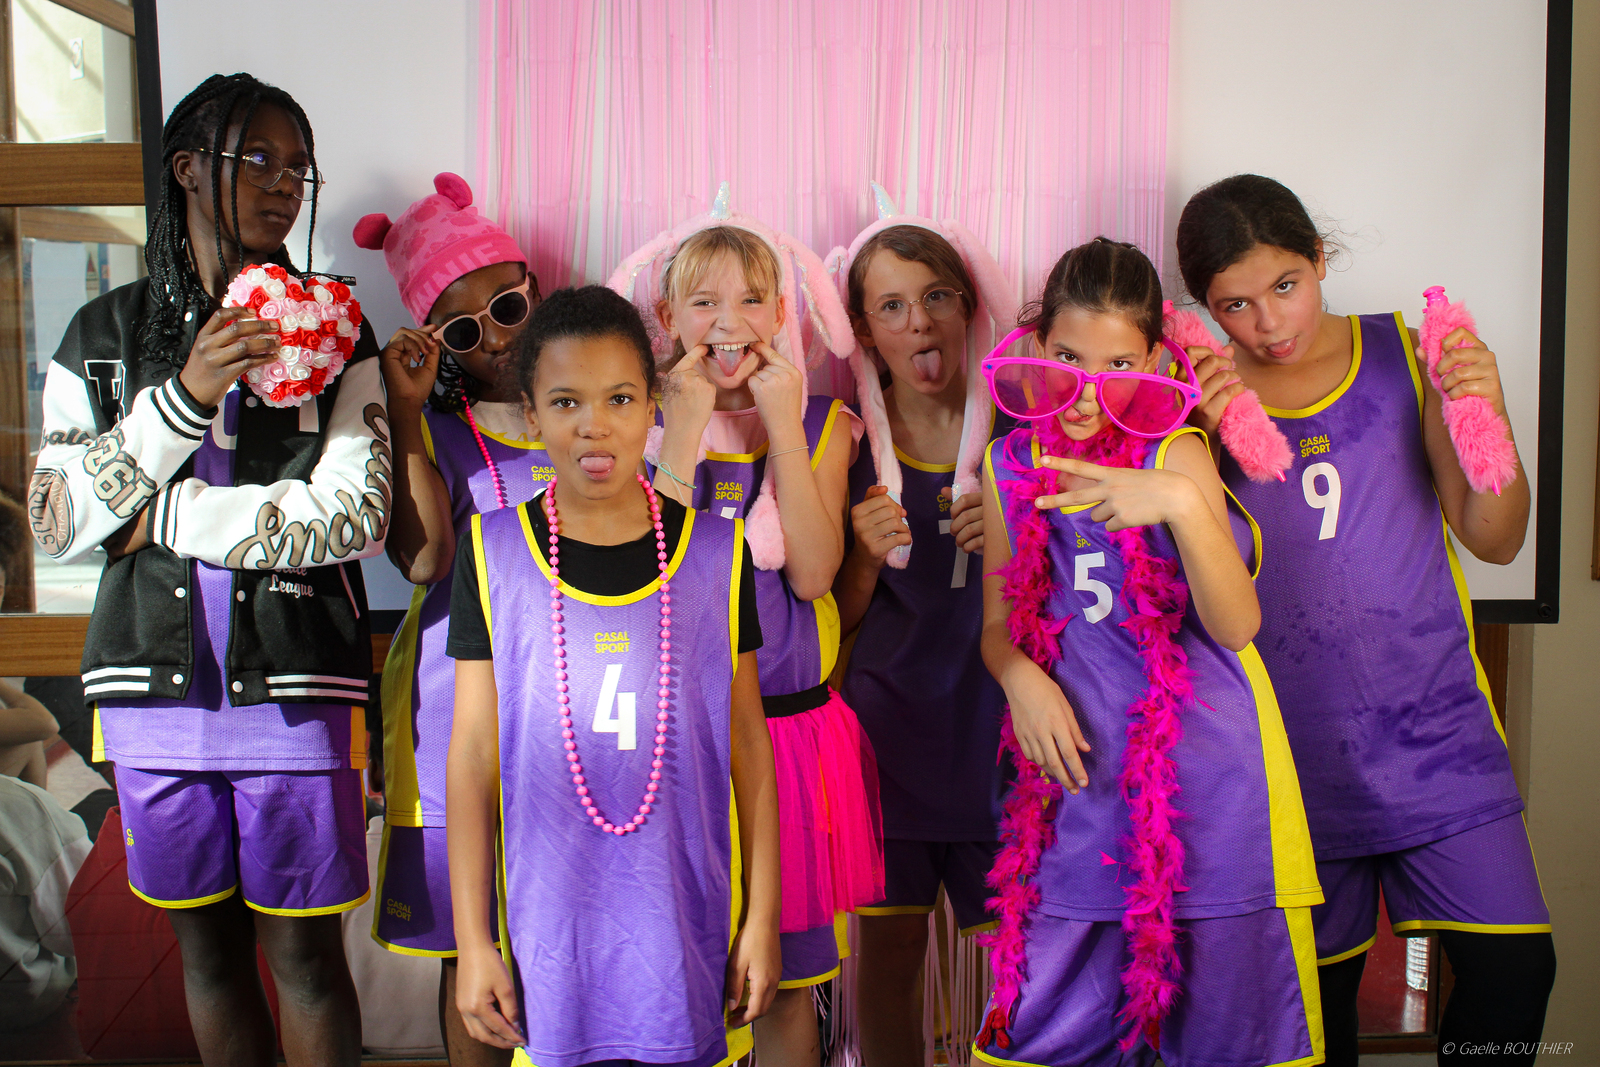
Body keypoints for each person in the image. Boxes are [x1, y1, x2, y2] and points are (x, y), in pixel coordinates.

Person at [26, 72, 387, 1066]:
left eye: (299, 166)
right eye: (257, 157)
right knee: (210, 956)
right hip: (151, 691)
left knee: (307, 958)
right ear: (187, 168)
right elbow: (59, 521)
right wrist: (183, 396)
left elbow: (354, 516)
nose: (284, 183)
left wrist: (162, 514)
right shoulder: (102, 335)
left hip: (297, 687)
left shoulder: (336, 329)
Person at [1175, 174, 1555, 1067]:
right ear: (1204, 310)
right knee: (1318, 1019)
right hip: (1287, 756)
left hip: (1437, 738)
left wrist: (1490, 411)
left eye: (1285, 285)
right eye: (1235, 305)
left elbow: (1496, 538)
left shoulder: (1407, 354)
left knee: (1515, 974)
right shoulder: (1198, 397)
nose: (1269, 322)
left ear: (1319, 258)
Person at [974, 238, 1323, 1067]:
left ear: (1158, 363)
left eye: (1119, 365)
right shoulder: (1007, 463)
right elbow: (997, 625)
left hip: (1209, 807)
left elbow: (1236, 624)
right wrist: (1019, 676)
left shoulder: (1179, 455)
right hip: (1074, 798)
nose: (1088, 391)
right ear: (1037, 345)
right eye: (1068, 358)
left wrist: (1177, 502)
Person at [445, 285, 780, 1064]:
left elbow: (749, 747)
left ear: (653, 407)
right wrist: (473, 940)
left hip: (685, 926)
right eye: (566, 401)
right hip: (550, 938)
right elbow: (471, 756)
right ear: (531, 415)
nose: (594, 424)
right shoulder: (491, 551)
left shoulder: (717, 552)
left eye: (620, 398)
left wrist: (762, 917)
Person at [609, 194, 881, 1067]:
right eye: (704, 302)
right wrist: (684, 427)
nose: (729, 322)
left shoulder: (823, 422)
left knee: (785, 982)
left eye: (751, 300)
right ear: (666, 317)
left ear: (781, 312)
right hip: (678, 738)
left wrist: (785, 425)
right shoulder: (640, 426)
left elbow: (812, 572)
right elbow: (648, 580)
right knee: (687, 965)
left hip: (790, 735)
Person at [354, 172, 546, 1066]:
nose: (496, 337)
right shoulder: (436, 432)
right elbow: (424, 559)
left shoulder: (596, 413)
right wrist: (404, 407)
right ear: (437, 344)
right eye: (463, 330)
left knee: (557, 932)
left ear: (535, 286)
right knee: (466, 949)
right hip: (450, 714)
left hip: (564, 713)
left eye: (507, 307)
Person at [825, 188, 1017, 1067]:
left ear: (968, 304)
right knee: (893, 948)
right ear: (865, 332)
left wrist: (1016, 537)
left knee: (1023, 955)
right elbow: (831, 621)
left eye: (936, 295)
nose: (919, 322)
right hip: (887, 741)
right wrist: (864, 557)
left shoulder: (1022, 428)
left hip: (1001, 738)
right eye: (892, 306)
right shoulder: (845, 444)